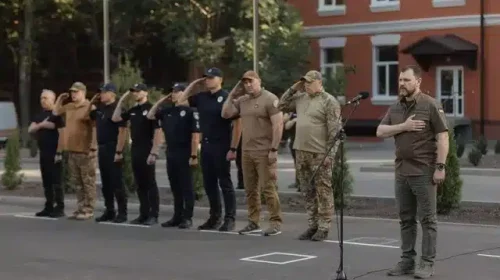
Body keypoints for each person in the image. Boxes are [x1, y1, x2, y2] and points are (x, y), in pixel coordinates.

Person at [376, 65, 449, 279]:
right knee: (405, 219)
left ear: (418, 82)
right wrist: (404, 127)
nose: (401, 84)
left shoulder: (430, 105)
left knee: (427, 220)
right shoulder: (396, 107)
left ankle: (426, 263)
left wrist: (440, 167)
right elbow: (380, 131)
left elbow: (442, 137)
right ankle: (407, 261)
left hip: (424, 171)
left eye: (406, 80)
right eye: (400, 80)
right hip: (402, 171)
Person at [278, 70, 341, 241]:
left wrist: (330, 155)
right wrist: (293, 88)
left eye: (309, 82)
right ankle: (312, 224)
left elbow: (335, 132)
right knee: (307, 191)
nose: (306, 85)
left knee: (323, 190)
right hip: (301, 152)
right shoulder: (300, 98)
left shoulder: (329, 101)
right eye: (304, 82)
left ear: (319, 83)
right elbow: (281, 105)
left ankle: (324, 226)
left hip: (320, 153)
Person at [221, 70, 284, 236]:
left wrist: (274, 149)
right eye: (245, 82)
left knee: (268, 188)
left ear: (259, 81)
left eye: (251, 81)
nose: (248, 85)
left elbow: (278, 125)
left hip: (264, 151)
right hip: (247, 151)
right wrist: (232, 94)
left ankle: (275, 222)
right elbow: (225, 113)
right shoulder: (243, 100)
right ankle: (253, 222)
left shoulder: (270, 99)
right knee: (250, 189)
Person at [178, 67, 241, 232]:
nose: (208, 80)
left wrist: (233, 147)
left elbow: (237, 125)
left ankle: (230, 218)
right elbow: (181, 102)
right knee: (209, 184)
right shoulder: (201, 97)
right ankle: (214, 217)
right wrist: (193, 84)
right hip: (206, 144)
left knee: (225, 183)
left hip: (222, 144)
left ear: (221, 79)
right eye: (206, 78)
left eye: (212, 77)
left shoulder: (226, 97)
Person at [147, 82, 200, 229]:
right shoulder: (167, 111)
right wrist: (163, 100)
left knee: (186, 186)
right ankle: (177, 216)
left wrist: (194, 155)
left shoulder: (191, 111)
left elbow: (195, 136)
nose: (174, 94)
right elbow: (151, 115)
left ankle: (187, 217)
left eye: (177, 91)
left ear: (185, 93)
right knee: (175, 186)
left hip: (185, 152)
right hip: (171, 152)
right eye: (173, 91)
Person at [111, 83, 163, 226]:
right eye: (133, 91)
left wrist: (154, 151)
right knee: (140, 184)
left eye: (138, 91)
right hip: (135, 148)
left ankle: (154, 214)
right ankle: (143, 213)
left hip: (147, 148)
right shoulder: (133, 110)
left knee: (150, 183)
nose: (135, 93)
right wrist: (122, 100)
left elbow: (158, 131)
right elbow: (115, 118)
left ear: (145, 93)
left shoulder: (151, 109)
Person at [52, 82, 97, 220]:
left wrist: (93, 147)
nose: (73, 94)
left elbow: (95, 127)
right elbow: (55, 112)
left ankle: (89, 209)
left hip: (85, 150)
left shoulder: (89, 107)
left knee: (87, 181)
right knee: (77, 182)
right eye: (72, 92)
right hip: (72, 149)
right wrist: (60, 99)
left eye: (76, 92)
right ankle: (80, 207)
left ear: (83, 92)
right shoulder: (70, 106)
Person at [89, 83, 129, 223]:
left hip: (113, 147)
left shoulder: (117, 109)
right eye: (100, 92)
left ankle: (122, 212)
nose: (101, 95)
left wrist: (119, 150)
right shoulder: (100, 109)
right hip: (103, 147)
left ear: (112, 94)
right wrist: (93, 99)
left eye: (104, 92)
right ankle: (110, 210)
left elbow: (122, 131)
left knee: (116, 181)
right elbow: (87, 112)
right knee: (106, 182)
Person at [28, 89, 65, 218]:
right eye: (41, 98)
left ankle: (59, 207)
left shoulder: (57, 114)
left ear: (52, 99)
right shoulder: (39, 115)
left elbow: (60, 131)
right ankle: (48, 206)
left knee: (56, 180)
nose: (42, 100)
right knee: (46, 181)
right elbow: (30, 129)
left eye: (45, 98)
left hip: (55, 152)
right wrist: (42, 124)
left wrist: (59, 152)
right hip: (43, 152)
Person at [283, 112, 300, 191]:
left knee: (301, 164)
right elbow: (286, 126)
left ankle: (301, 183)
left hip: (303, 141)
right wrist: (293, 120)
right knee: (296, 163)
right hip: (293, 141)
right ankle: (297, 182)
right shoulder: (291, 112)